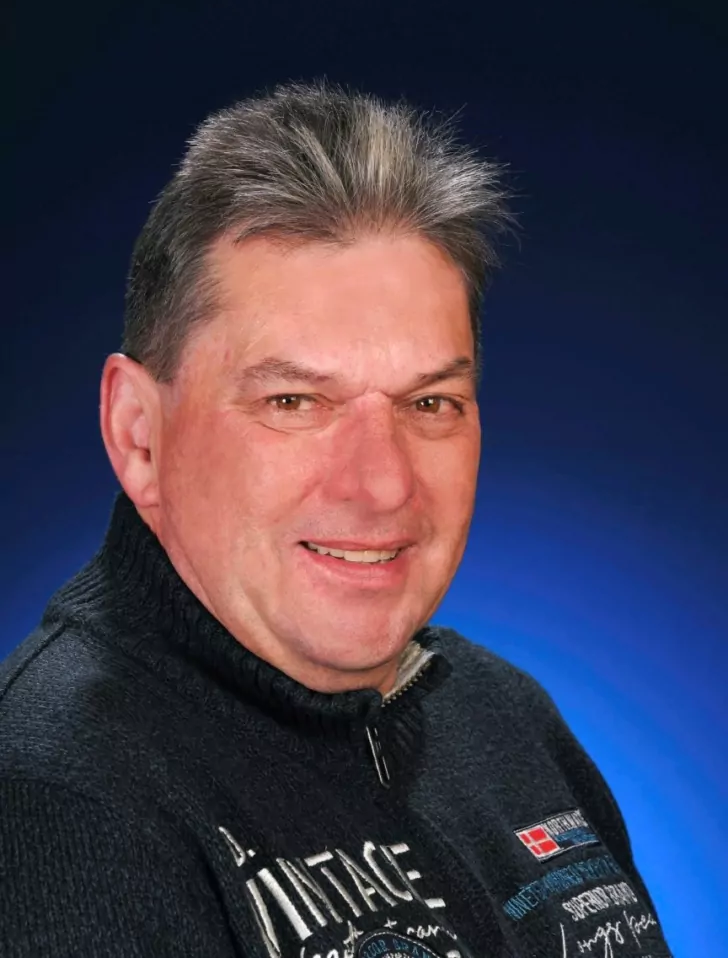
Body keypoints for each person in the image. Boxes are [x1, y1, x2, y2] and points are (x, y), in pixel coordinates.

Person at [0, 82, 673, 958]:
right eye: (294, 401)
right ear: (139, 434)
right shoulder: (59, 801)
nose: (382, 486)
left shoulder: (506, 718)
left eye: (429, 403)